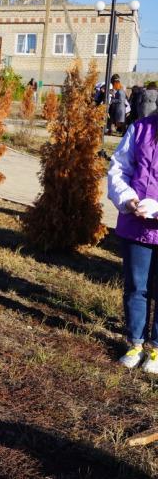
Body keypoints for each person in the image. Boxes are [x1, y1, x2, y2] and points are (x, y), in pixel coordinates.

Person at [107, 102, 158, 373]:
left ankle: (157, 349)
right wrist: (128, 199)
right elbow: (119, 168)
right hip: (135, 224)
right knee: (136, 287)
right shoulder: (140, 130)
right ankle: (135, 343)